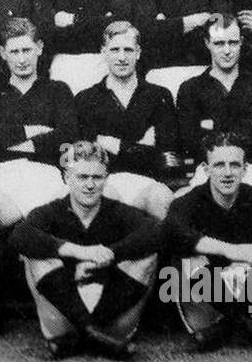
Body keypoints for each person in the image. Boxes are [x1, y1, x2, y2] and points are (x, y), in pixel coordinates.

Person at [0, 17, 78, 342]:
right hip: (6, 177)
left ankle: (63, 309)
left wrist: (18, 139)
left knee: (60, 224)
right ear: (3, 53)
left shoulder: (58, 90)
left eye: (27, 49)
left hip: (47, 176)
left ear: (40, 49)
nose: (22, 58)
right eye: (14, 51)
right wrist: (36, 133)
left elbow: (69, 136)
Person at [12, 141, 162, 360]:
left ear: (106, 179)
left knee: (148, 254)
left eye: (97, 178)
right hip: (64, 316)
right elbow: (20, 235)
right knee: (34, 253)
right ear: (67, 179)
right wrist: (77, 252)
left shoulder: (117, 211)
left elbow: (156, 233)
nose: (90, 185)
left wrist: (110, 254)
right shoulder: (52, 211)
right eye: (82, 177)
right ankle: (93, 333)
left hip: (112, 312)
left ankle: (86, 335)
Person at [163, 131, 252, 353]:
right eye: (219, 165)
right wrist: (233, 251)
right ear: (206, 170)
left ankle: (230, 325)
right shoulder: (189, 201)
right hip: (208, 296)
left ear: (245, 169)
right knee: (185, 250)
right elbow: (173, 231)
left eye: (235, 165)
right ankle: (245, 325)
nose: (227, 173)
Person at [175, 16, 252, 211]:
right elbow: (190, 142)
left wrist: (214, 128)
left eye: (233, 42)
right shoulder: (191, 89)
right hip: (207, 171)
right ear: (207, 43)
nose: (227, 50)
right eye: (219, 43)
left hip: (250, 170)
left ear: (241, 42)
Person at [75, 21, 178, 219]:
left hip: (149, 183)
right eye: (115, 50)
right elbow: (85, 157)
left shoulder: (159, 96)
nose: (122, 58)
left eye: (128, 50)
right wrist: (143, 148)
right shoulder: (85, 99)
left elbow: (170, 159)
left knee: (162, 199)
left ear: (138, 52)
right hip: (103, 183)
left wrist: (116, 145)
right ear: (103, 52)